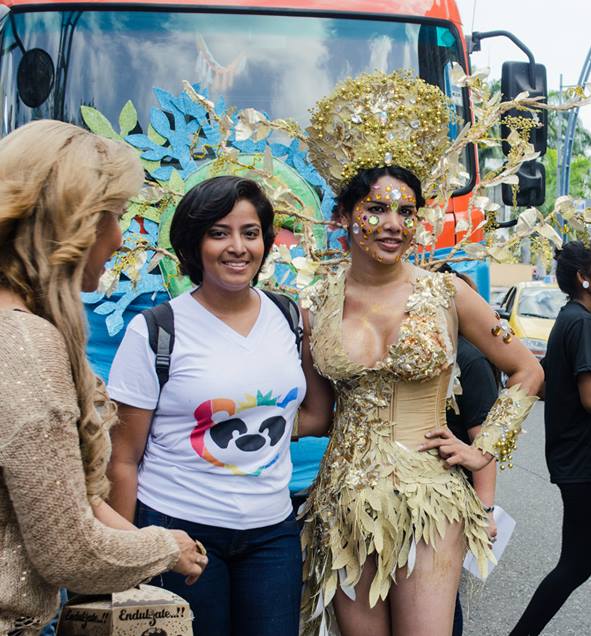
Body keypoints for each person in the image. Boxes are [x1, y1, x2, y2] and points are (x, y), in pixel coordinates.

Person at [297, 71, 543, 636]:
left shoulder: (448, 293)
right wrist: (231, 423)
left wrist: (483, 448)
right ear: (343, 216)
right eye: (376, 209)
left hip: (429, 499)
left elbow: (527, 370)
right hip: (344, 502)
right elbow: (316, 414)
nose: (393, 225)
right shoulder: (316, 304)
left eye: (406, 212)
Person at [0, 120, 207, 634]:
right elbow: (68, 551)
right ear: (71, 221)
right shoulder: (26, 343)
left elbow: (58, 498)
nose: (119, 238)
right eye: (113, 216)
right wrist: (164, 546)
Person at [107, 176, 311, 636]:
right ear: (193, 244)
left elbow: (311, 413)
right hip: (179, 530)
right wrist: (124, 558)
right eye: (219, 233)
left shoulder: (289, 318)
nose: (237, 247)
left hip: (272, 534)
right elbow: (122, 458)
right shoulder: (156, 330)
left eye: (250, 233)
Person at [511, 241, 591, 636]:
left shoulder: (574, 318)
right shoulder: (580, 323)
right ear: (584, 277)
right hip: (585, 460)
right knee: (577, 564)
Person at [438, 267, 501, 636]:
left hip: (451, 500)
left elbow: (484, 442)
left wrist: (485, 510)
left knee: (443, 599)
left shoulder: (469, 359)